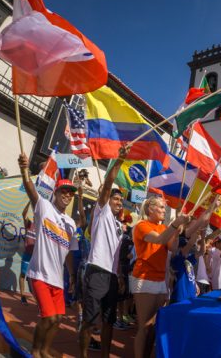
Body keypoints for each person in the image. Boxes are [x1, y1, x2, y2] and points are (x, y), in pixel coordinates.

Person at [18, 153, 78, 358]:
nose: (67, 195)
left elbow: (70, 252)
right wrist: (24, 170)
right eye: (64, 191)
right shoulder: (44, 207)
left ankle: (44, 351)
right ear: (56, 191)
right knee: (49, 317)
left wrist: (72, 276)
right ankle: (35, 350)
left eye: (71, 193)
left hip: (58, 280)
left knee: (59, 319)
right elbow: (30, 190)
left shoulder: (70, 223)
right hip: (39, 274)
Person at [79, 151, 126, 358]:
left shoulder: (119, 225)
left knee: (108, 321)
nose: (118, 202)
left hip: (112, 277)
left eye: (121, 201)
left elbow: (117, 256)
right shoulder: (101, 211)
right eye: (116, 199)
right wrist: (120, 161)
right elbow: (108, 184)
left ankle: (105, 355)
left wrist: (120, 276)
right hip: (96, 270)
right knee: (90, 319)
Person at [131, 196, 189, 358]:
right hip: (144, 278)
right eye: (161, 208)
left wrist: (177, 232)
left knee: (154, 325)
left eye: (164, 208)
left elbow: (173, 247)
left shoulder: (164, 227)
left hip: (160, 279)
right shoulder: (141, 226)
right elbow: (159, 240)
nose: (164, 211)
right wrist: (175, 224)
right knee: (144, 326)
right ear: (150, 209)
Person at [19, 202, 35, 305]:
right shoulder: (29, 224)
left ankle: (35, 296)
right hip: (27, 254)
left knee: (34, 278)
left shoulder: (42, 227)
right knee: (23, 274)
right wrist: (29, 202)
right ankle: (22, 295)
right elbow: (23, 214)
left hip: (36, 257)